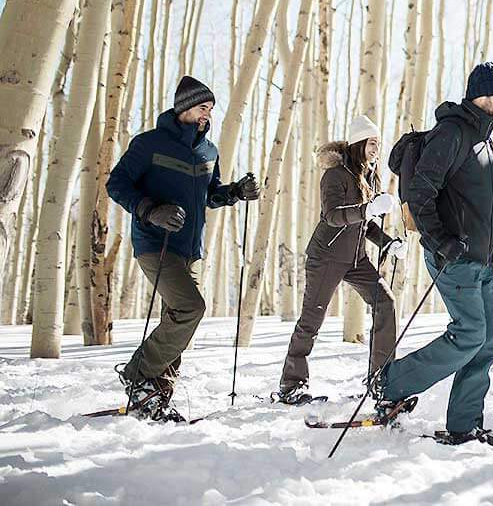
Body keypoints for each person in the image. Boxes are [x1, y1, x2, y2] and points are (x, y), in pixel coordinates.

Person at [373, 61, 493, 445]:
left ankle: (464, 424)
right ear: (482, 94)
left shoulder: (483, 142)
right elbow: (421, 193)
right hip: (453, 258)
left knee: (488, 341)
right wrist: (441, 240)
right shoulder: (452, 134)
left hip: (480, 262)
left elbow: (490, 203)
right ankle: (389, 384)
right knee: (470, 334)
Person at [106, 76, 260, 421]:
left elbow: (210, 193)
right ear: (185, 107)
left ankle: (156, 395)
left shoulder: (208, 150)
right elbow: (116, 184)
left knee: (176, 318)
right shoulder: (150, 144)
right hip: (155, 242)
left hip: (191, 248)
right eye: (203, 107)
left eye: (210, 109)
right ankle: (138, 375)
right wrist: (150, 210)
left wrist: (236, 191)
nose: (208, 114)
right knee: (191, 308)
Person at [276, 115, 404, 405]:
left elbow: (365, 223)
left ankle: (381, 378)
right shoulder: (335, 174)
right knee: (312, 319)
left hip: (356, 258)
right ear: (358, 142)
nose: (376, 148)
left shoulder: (370, 175)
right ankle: (291, 384)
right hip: (327, 257)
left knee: (386, 303)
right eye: (372, 143)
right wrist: (368, 208)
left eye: (379, 144)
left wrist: (389, 243)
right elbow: (333, 216)